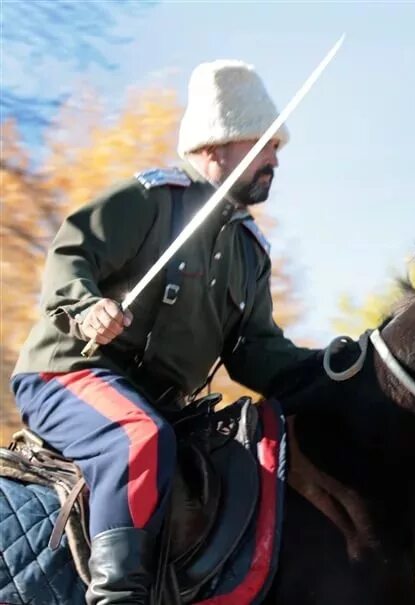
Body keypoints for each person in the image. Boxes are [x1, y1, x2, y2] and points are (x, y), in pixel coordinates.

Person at [9, 59, 325, 604]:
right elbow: (71, 251)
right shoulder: (152, 200)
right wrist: (86, 308)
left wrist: (331, 369)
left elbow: (255, 352)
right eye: (266, 143)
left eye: (278, 147)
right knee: (138, 436)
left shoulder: (252, 253)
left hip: (155, 403)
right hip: (69, 374)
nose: (276, 158)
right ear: (218, 145)